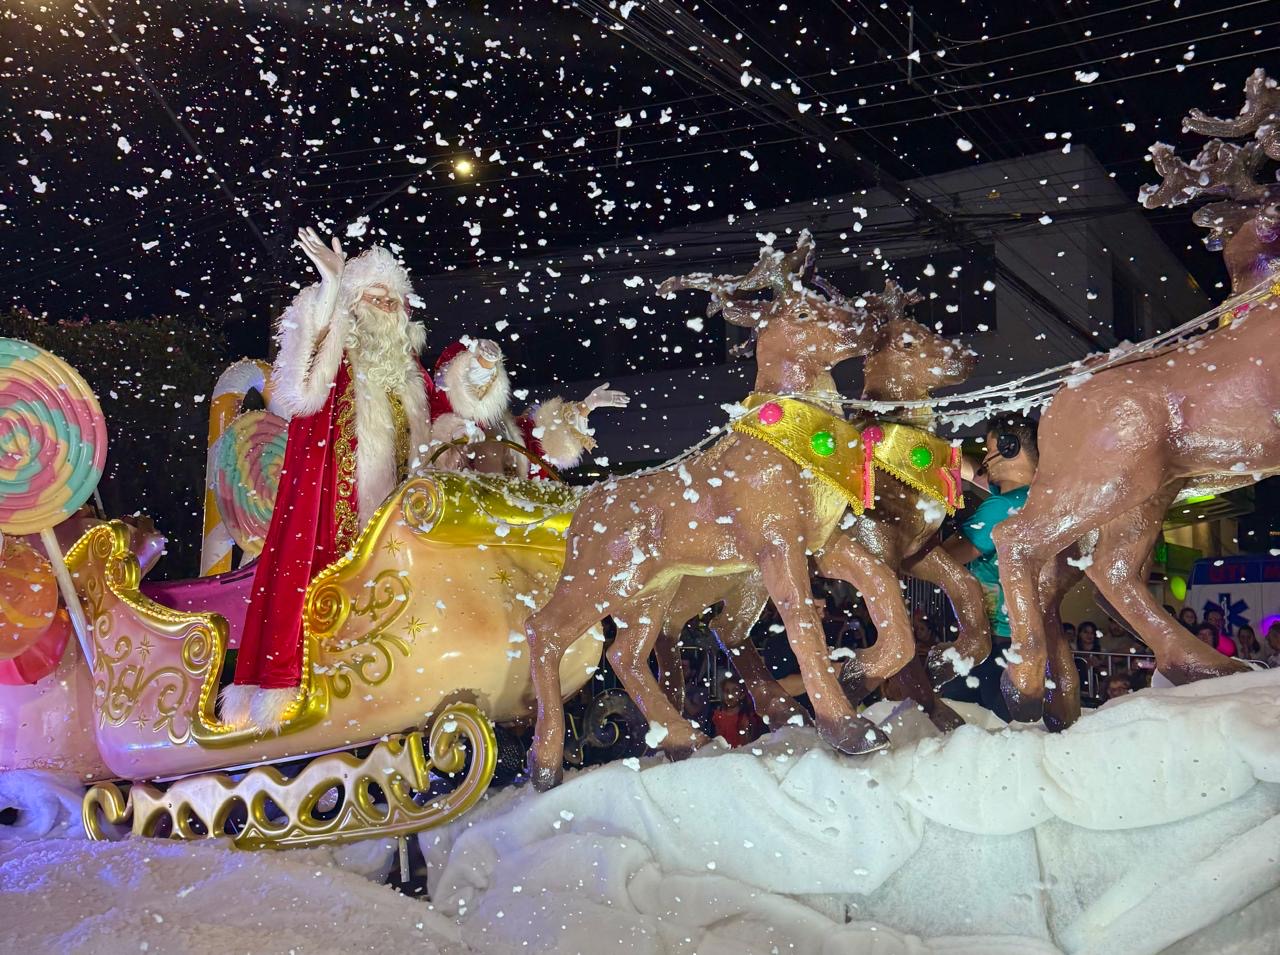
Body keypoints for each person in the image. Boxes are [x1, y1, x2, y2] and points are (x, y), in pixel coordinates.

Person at [223, 228, 438, 731]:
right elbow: (297, 389)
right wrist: (330, 287)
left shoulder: (412, 378)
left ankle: (397, 696)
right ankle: (309, 699)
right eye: (373, 296)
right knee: (325, 603)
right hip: (329, 518)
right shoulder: (338, 358)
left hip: (396, 528)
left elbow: (453, 415)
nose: (385, 306)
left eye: (393, 299)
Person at [940, 413, 1039, 720]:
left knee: (973, 722)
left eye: (989, 448)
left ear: (1009, 449)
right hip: (1025, 639)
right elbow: (973, 472)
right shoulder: (1035, 496)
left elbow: (948, 558)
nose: (985, 457)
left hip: (995, 642)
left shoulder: (999, 510)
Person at [710, 676, 764, 747]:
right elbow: (717, 740)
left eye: (734, 691)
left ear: (742, 695)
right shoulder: (717, 715)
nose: (730, 695)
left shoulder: (746, 717)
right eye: (727, 691)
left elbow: (748, 743)